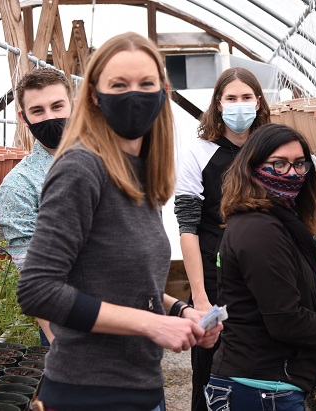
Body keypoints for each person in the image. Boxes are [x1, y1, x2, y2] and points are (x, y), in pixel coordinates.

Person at [16, 32, 222, 411]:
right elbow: (37, 290)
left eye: (146, 84)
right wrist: (150, 324)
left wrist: (180, 312)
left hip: (140, 388)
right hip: (89, 392)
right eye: (119, 85)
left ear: (163, 92)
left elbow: (119, 283)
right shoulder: (81, 168)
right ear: (94, 96)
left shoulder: (142, 175)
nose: (134, 96)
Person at [205, 123, 316, 410]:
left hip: (269, 385)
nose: (292, 173)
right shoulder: (259, 230)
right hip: (261, 390)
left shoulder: (279, 223)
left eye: (299, 165)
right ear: (252, 167)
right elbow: (285, 319)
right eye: (279, 164)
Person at [173, 67, 270, 411]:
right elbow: (188, 227)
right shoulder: (199, 152)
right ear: (218, 104)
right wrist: (199, 296)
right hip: (217, 276)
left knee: (261, 367)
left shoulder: (272, 149)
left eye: (246, 98)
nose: (239, 105)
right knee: (211, 368)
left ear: (258, 102)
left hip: (265, 274)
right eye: (231, 98)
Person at [0, 67, 73, 346]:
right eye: (38, 110)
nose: (50, 117)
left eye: (57, 106)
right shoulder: (20, 187)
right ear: (23, 117)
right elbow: (33, 275)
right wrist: (62, 347)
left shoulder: (110, 162)